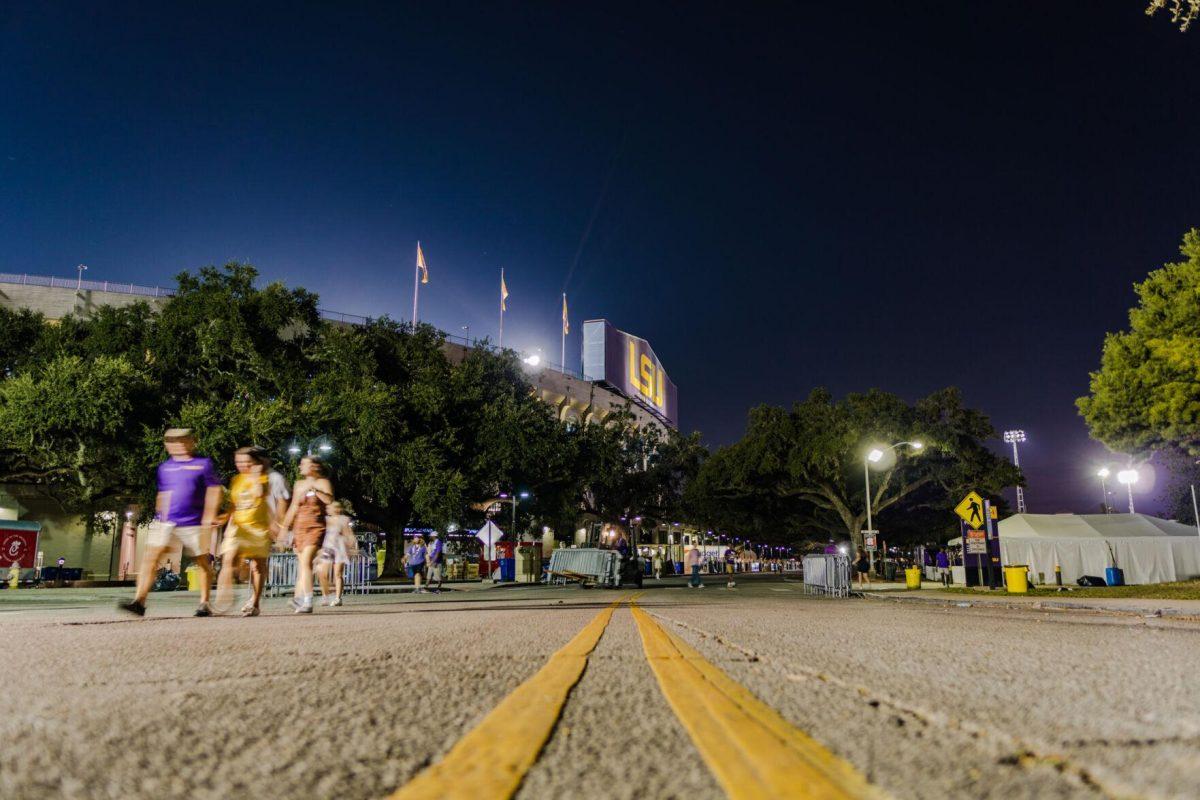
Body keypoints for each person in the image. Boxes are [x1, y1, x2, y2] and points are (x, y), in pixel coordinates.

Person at [119, 429, 221, 617]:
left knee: (202, 561)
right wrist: (160, 517)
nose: (178, 445)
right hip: (167, 521)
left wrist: (209, 516)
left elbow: (214, 490)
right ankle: (139, 601)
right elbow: (163, 494)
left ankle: (205, 603)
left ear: (191, 442)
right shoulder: (165, 468)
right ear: (167, 445)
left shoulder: (203, 464)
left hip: (195, 522)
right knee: (150, 557)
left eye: (183, 441)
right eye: (173, 442)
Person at [215, 447, 275, 616]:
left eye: (247, 462)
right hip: (238, 527)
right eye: (238, 462)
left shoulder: (263, 478)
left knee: (257, 566)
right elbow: (234, 504)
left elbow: (259, 493)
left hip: (257, 528)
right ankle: (224, 598)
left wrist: (255, 475)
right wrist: (225, 519)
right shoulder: (236, 479)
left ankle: (254, 603)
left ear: (255, 462)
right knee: (228, 558)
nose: (242, 465)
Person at [281, 455, 334, 614]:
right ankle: (300, 598)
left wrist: (315, 490)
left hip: (315, 526)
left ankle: (308, 601)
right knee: (303, 565)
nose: (300, 467)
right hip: (299, 527)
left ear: (315, 466)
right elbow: (294, 507)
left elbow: (329, 501)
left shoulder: (323, 482)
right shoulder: (299, 484)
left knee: (306, 562)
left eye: (304, 464)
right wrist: (285, 528)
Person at [316, 501, 356, 606]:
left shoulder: (343, 519)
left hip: (340, 549)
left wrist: (352, 547)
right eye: (328, 508)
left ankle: (338, 598)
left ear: (337, 509)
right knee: (322, 573)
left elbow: (349, 534)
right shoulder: (326, 519)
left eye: (330, 508)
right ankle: (326, 595)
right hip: (328, 548)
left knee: (338, 574)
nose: (328, 510)